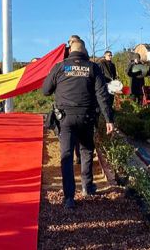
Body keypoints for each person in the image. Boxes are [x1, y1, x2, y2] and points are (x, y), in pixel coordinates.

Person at [42, 41, 114, 210]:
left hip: (65, 118)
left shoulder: (60, 67)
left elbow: (45, 90)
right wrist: (109, 119)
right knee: (87, 150)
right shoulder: (93, 68)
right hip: (87, 117)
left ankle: (69, 198)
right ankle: (87, 187)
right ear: (85, 51)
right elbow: (102, 95)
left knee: (66, 156)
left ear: (70, 52)